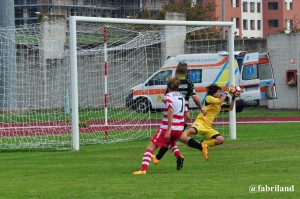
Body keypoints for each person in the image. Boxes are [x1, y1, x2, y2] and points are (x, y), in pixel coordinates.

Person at [132, 77, 208, 175]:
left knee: (151, 147)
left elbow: (170, 110)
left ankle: (143, 170)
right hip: (179, 127)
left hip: (168, 128)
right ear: (178, 87)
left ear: (168, 86)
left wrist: (168, 130)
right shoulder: (181, 97)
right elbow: (187, 116)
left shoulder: (167, 96)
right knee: (172, 142)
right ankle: (193, 149)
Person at [152, 62, 207, 170]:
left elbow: (166, 99)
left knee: (173, 137)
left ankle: (200, 147)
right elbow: (195, 98)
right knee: (175, 138)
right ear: (186, 72)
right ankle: (165, 157)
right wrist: (202, 108)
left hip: (174, 115)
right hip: (184, 113)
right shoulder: (189, 82)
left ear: (176, 70)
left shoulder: (172, 83)